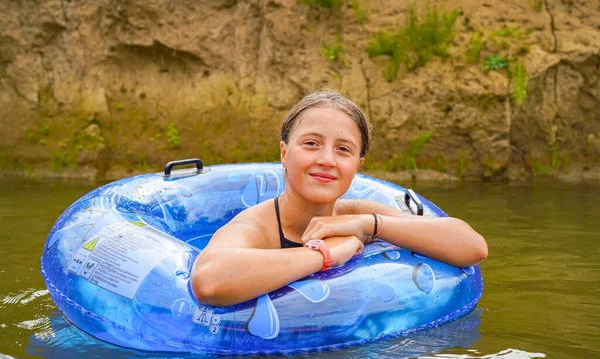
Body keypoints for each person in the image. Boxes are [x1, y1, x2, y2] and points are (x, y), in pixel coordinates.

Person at [191, 89, 488, 307]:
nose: (327, 160)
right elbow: (209, 281)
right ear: (284, 153)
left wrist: (371, 225)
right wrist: (325, 255)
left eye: (343, 149)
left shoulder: (359, 214)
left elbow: (473, 247)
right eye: (311, 144)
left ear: (357, 165)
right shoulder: (257, 227)